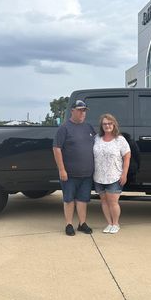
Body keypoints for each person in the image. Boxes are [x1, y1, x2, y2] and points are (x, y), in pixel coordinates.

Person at [52, 100, 95, 236]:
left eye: (84, 111)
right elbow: (57, 148)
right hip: (69, 174)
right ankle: (69, 224)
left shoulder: (88, 127)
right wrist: (61, 170)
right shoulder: (64, 128)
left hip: (87, 173)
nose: (83, 113)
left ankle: (82, 223)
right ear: (72, 111)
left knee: (83, 200)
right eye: (80, 110)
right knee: (69, 199)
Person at [93, 114, 131, 234]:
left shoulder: (120, 140)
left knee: (113, 202)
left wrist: (124, 174)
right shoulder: (97, 138)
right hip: (99, 176)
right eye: (104, 124)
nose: (107, 126)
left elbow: (127, 157)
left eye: (109, 123)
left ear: (114, 124)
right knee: (104, 201)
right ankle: (109, 223)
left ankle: (116, 223)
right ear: (101, 126)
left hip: (114, 176)